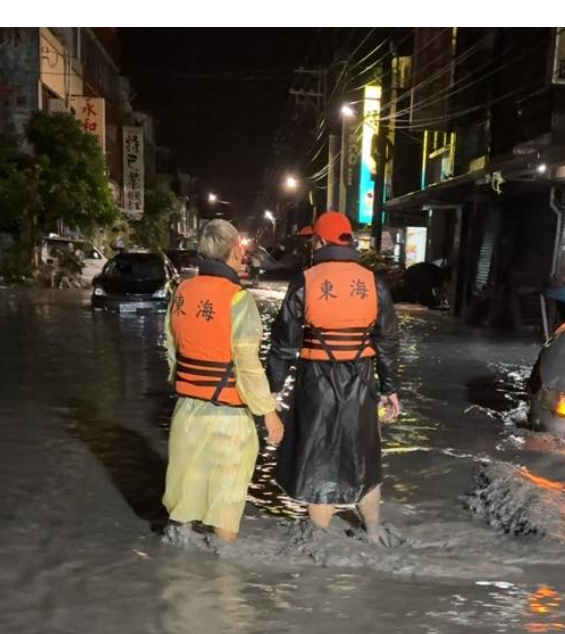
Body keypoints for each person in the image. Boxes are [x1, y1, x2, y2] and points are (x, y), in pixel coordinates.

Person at [267, 210, 401, 542]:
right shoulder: (373, 282)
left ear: (322, 241)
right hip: (361, 380)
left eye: (314, 239)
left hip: (317, 382)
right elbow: (388, 340)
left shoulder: (306, 281)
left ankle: (320, 540)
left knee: (318, 460)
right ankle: (372, 533)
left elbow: (284, 343)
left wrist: (271, 389)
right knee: (365, 458)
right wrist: (390, 388)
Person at [161, 219, 284, 543]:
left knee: (185, 494)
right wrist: (268, 411)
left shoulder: (182, 292)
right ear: (234, 251)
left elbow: (172, 348)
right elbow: (247, 363)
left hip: (187, 413)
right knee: (226, 501)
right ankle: (223, 576)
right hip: (227, 417)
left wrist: (184, 385)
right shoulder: (238, 300)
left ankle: (177, 573)